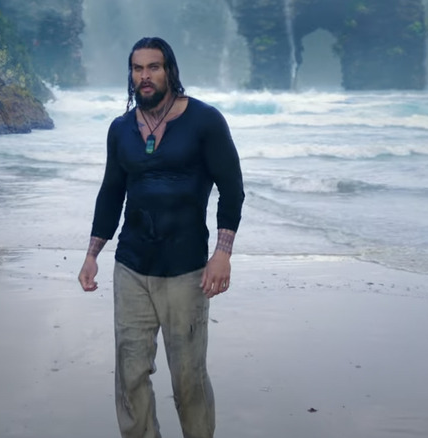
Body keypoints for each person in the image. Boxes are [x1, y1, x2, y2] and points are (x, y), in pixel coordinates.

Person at [77, 36, 244, 438]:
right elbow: (111, 192)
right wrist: (92, 253)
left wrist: (222, 253)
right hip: (132, 265)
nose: (145, 76)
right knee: (130, 374)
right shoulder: (120, 129)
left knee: (188, 379)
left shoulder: (204, 121)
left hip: (185, 269)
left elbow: (232, 187)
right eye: (138, 68)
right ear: (131, 75)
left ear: (169, 70)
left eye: (153, 67)